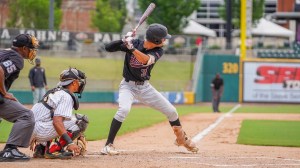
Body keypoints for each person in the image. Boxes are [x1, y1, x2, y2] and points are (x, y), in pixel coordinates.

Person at [101, 23, 198, 155]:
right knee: (123, 109)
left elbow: (145, 60)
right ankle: (108, 145)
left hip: (145, 88)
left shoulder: (158, 51)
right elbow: (108, 48)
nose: (165, 40)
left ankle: (181, 139)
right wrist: (123, 40)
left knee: (172, 112)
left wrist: (131, 48)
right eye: (164, 38)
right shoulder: (135, 43)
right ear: (157, 40)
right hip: (127, 86)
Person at [30, 68, 88, 159]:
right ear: (74, 82)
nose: (80, 83)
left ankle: (41, 149)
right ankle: (55, 149)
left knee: (55, 117)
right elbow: (57, 122)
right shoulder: (66, 96)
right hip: (40, 130)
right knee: (81, 120)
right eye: (79, 81)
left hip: (32, 129)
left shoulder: (55, 92)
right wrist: (70, 142)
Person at [0, 34, 39, 162]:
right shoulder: (17, 58)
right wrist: (4, 92)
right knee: (27, 116)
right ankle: (10, 150)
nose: (32, 50)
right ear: (23, 48)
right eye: (30, 48)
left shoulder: (3, 52)